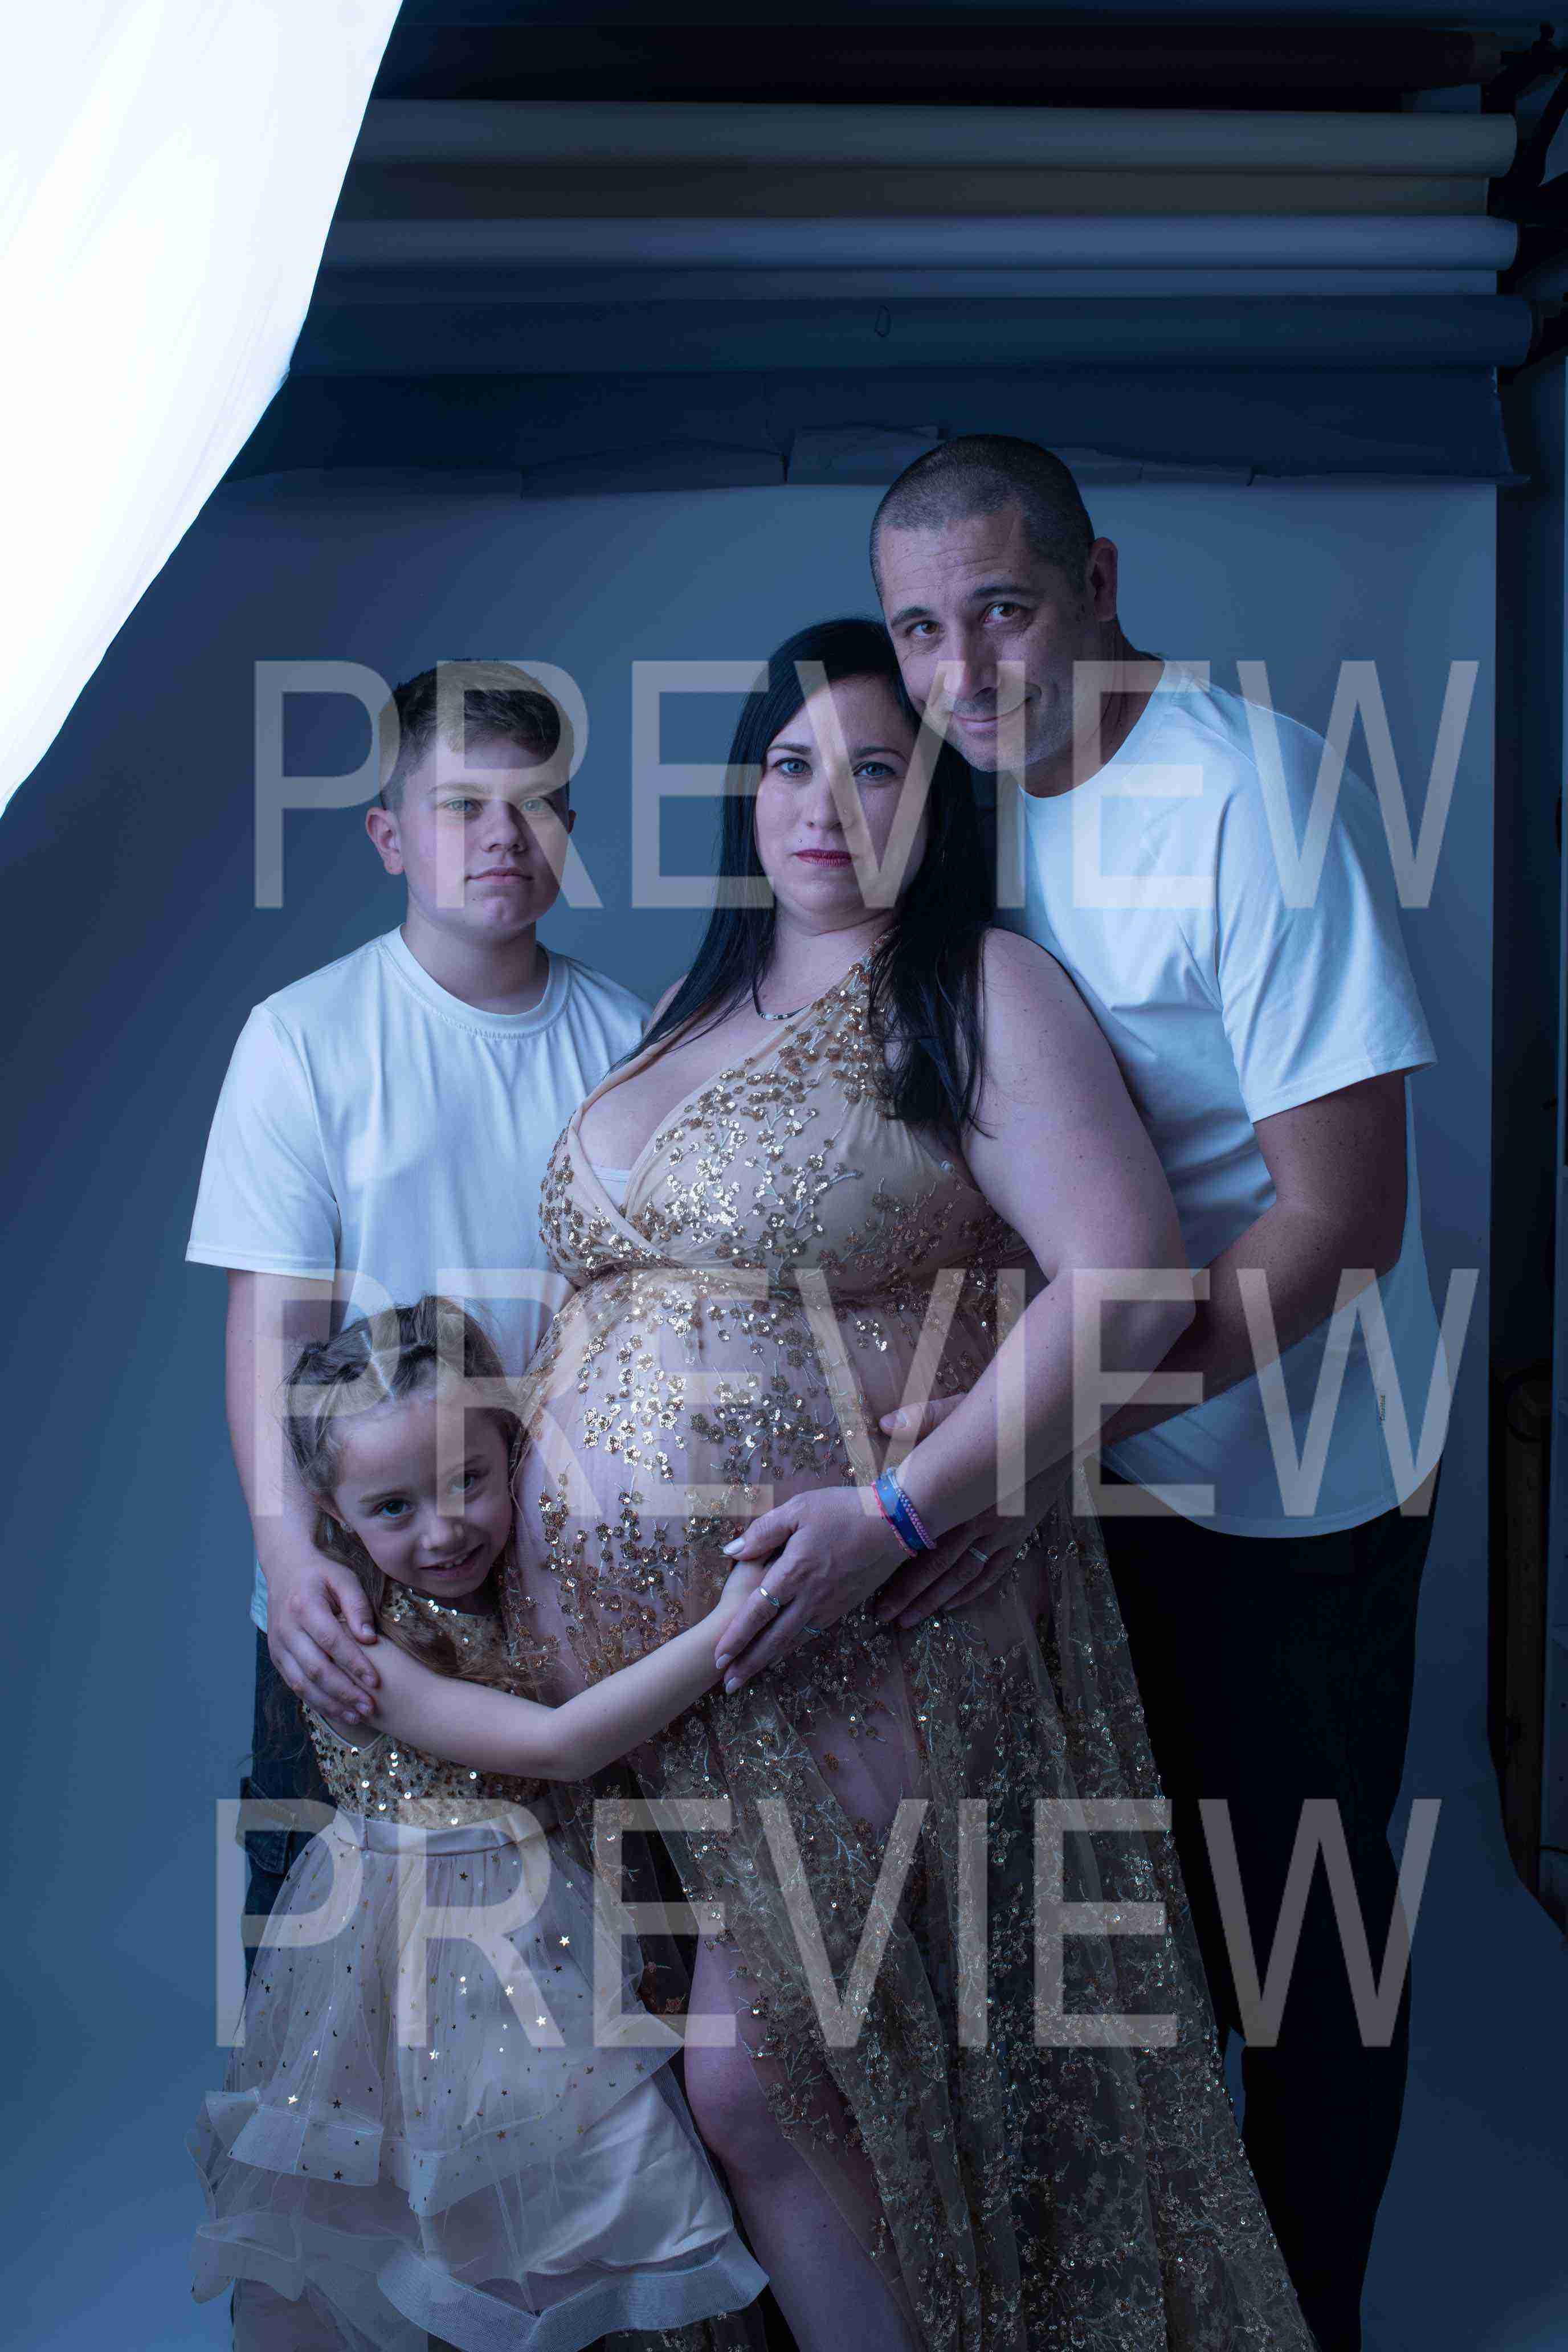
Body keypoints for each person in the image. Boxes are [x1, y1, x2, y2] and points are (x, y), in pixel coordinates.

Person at [438, 618, 1321, 2351]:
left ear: (942, 802)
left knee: (768, 2075)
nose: (824, 804)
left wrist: (908, 1506)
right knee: (714, 2088)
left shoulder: (978, 990)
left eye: (876, 767)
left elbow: (1129, 1282)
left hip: (861, 1625)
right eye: (791, 764)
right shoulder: (686, 1007)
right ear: (744, 791)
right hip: (642, 1681)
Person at [871, 434, 1446, 2352]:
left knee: (1301, 1955)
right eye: (921, 631)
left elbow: (1342, 1219)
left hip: (1292, 1480)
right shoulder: (965, 810)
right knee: (1120, 1934)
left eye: (1002, 611)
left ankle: (1313, 2319)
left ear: (1098, 583)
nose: (963, 671)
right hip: (1093, 1462)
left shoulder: (1244, 797)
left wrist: (1042, 1435)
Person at [190, 1295, 769, 2350]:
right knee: (425, 2216)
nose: (445, 1527)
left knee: (575, 2201)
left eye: (470, 1480)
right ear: (330, 1513)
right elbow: (558, 1747)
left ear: (514, 1452)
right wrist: (735, 1622)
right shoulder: (356, 1647)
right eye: (393, 1508)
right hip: (420, 1955)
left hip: (545, 1926)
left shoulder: (525, 1579)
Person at [186, 662, 650, 1965]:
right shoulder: (304, 1039)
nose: (503, 836)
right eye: (460, 806)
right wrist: (293, 1559)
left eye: (535, 805)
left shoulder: (628, 1044)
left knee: (584, 1955)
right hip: (362, 1564)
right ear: (390, 835)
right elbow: (273, 1332)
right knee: (321, 1944)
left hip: (558, 1566)